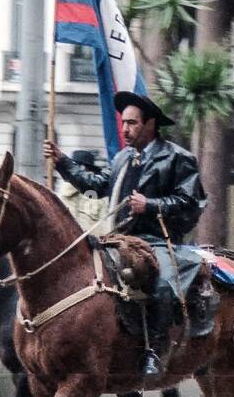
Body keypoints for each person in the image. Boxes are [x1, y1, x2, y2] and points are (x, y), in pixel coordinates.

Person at [45, 91, 208, 378]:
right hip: (118, 240)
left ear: (151, 124)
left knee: (161, 285)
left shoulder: (178, 158)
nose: (125, 129)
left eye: (132, 123)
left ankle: (156, 352)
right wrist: (62, 162)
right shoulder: (122, 157)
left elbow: (191, 201)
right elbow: (94, 186)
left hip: (157, 241)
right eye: (123, 123)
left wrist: (150, 205)